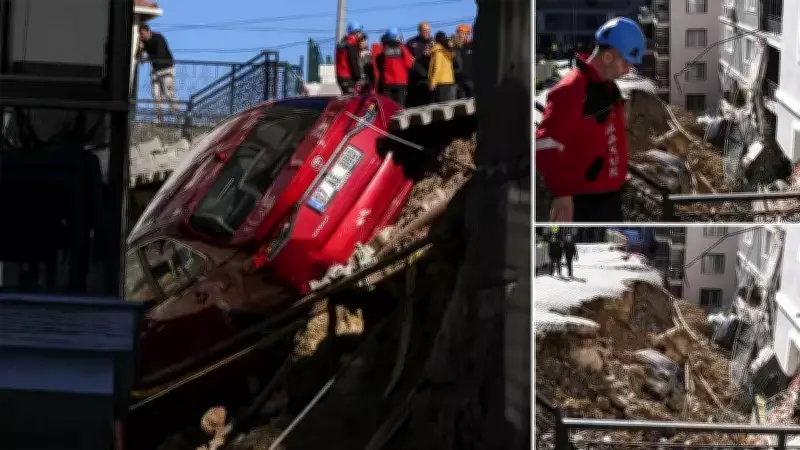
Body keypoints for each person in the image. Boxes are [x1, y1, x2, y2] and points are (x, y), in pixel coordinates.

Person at [535, 17, 645, 222]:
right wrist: (562, 194)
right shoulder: (572, 89)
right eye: (626, 62)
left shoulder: (607, 87)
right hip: (583, 204)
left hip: (608, 200)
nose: (629, 70)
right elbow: (545, 145)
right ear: (608, 57)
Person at [138, 25, 179, 122]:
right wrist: (139, 47)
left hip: (167, 68)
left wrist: (147, 58)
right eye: (140, 35)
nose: (142, 36)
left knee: (168, 93)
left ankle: (177, 114)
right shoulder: (143, 42)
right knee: (156, 95)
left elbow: (159, 55)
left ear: (148, 32)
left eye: (142, 34)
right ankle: (159, 118)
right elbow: (139, 57)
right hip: (155, 70)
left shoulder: (158, 38)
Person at [375, 27, 415, 106]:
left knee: (388, 107)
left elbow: (379, 64)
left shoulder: (383, 50)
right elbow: (410, 64)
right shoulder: (402, 48)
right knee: (399, 107)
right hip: (401, 82)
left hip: (387, 82)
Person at [405, 22, 434, 107]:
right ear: (419, 31)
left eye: (428, 30)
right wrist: (422, 55)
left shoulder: (433, 43)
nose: (427, 33)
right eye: (425, 30)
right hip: (414, 79)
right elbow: (409, 59)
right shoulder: (411, 43)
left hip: (428, 78)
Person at [335, 21, 364, 95]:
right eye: (360, 32)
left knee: (345, 98)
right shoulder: (351, 43)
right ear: (356, 33)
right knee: (351, 101)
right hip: (348, 76)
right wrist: (358, 77)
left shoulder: (341, 43)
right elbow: (353, 62)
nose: (361, 34)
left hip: (340, 76)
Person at [428, 31, 456, 103]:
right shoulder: (447, 50)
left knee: (440, 107)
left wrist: (432, 83)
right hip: (449, 81)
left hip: (440, 83)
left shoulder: (437, 52)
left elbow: (437, 68)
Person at [453, 24, 474, 99]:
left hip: (472, 80)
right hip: (460, 82)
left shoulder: (474, 45)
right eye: (457, 33)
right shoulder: (456, 48)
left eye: (460, 34)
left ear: (467, 34)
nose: (458, 36)